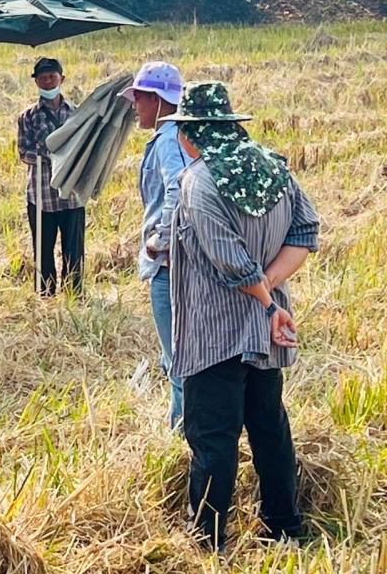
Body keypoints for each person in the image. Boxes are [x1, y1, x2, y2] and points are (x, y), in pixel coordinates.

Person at [168, 81, 320, 551]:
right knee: (269, 427)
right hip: (268, 330)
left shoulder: (199, 180)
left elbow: (229, 258)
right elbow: (305, 230)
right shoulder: (275, 167)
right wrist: (271, 294)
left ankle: (208, 540)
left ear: (189, 133)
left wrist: (264, 299)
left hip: (214, 332)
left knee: (212, 436)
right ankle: (285, 526)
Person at [119, 61, 189, 428]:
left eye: (139, 98)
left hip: (169, 264)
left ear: (157, 100)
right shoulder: (180, 136)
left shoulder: (168, 140)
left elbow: (178, 188)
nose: (135, 107)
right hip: (179, 260)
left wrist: (161, 240)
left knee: (177, 357)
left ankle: (183, 431)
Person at [17, 56, 86, 295]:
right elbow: (24, 152)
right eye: (43, 78)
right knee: (42, 250)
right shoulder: (28, 116)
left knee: (74, 250)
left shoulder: (77, 113)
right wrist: (54, 156)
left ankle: (75, 294)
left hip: (72, 194)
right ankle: (46, 294)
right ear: (36, 82)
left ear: (61, 79)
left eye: (52, 77)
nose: (48, 82)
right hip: (41, 195)